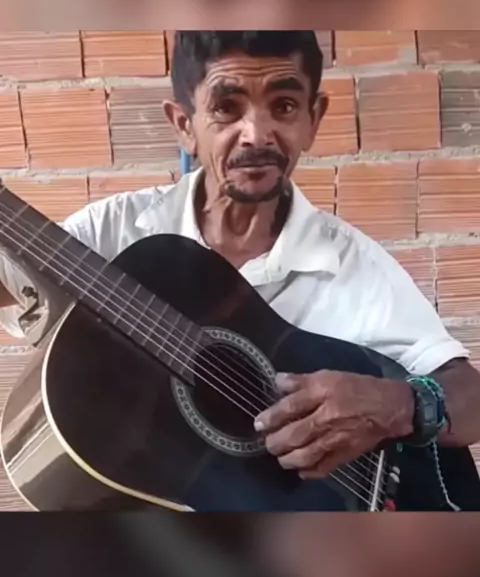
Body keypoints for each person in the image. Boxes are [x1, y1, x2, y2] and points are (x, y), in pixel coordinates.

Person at [1, 30, 480, 486]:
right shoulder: (114, 232)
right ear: (184, 125)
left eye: (284, 106)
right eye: (226, 108)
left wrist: (395, 405)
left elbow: (471, 398)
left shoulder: (353, 265)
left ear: (313, 119)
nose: (256, 134)